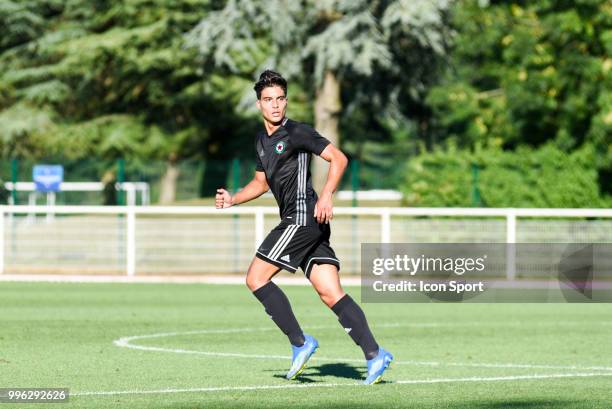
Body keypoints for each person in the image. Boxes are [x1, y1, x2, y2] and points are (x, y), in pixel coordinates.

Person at [215, 70, 393, 385]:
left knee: (256, 278)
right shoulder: (261, 141)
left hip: (302, 218)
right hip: (309, 224)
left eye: (280, 99)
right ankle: (375, 354)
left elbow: (339, 158)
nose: (275, 105)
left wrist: (326, 195)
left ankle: (300, 342)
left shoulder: (297, 133)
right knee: (330, 292)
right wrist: (233, 199)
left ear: (286, 101)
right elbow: (260, 183)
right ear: (259, 104)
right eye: (268, 100)